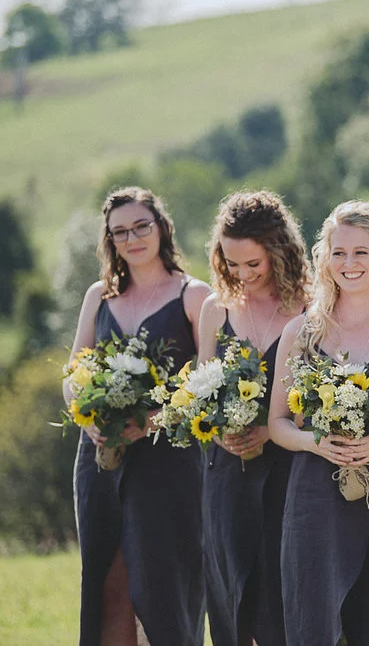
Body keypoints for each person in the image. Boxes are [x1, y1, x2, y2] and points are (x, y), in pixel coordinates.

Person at [267, 200, 369, 645]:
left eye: (360, 252)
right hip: (314, 504)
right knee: (314, 626)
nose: (349, 263)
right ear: (325, 259)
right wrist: (313, 442)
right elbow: (278, 424)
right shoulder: (300, 333)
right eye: (338, 252)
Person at [63, 187, 211, 646]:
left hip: (168, 463)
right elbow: (72, 372)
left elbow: (205, 384)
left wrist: (149, 422)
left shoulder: (195, 295)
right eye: (120, 232)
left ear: (162, 226)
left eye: (141, 226)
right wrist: (85, 412)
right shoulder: (99, 296)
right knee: (108, 582)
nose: (132, 238)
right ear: (110, 240)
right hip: (101, 457)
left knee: (162, 588)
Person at [198, 191, 311, 646]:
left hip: (290, 476)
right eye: (231, 264)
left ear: (278, 253)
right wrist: (217, 426)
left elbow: (324, 401)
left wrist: (272, 429)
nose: (241, 275)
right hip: (226, 476)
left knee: (281, 603)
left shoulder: (311, 309)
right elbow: (200, 390)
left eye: (253, 264)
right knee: (231, 604)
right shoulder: (215, 309)